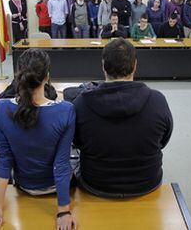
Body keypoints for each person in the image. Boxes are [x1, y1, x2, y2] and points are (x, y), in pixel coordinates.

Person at [0, 49, 77, 230]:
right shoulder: (66, 110)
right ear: (47, 77)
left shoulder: (1, 109)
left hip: (23, 185)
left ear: (18, 76)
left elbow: (5, 159)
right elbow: (62, 164)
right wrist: (63, 211)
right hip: (54, 188)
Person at [73, 38, 173, 198]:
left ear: (103, 66)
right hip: (147, 182)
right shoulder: (157, 100)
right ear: (135, 66)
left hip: (95, 183)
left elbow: (77, 143)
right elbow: (163, 141)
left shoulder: (81, 103)